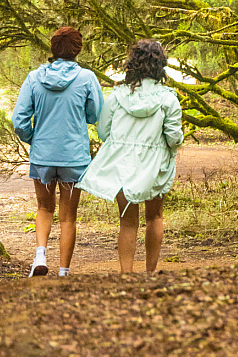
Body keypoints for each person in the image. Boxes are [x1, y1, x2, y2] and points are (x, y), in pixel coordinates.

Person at [78, 39, 183, 274]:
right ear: (160, 66)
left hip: (121, 165)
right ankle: (150, 273)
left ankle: (126, 274)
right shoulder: (168, 99)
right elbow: (174, 136)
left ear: (132, 64)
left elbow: (104, 130)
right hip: (155, 166)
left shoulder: (116, 96)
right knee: (154, 216)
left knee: (127, 221)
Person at [12, 26, 104, 278]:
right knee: (68, 217)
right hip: (73, 157)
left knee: (44, 208)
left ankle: (40, 254)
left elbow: (19, 120)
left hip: (42, 156)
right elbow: (95, 115)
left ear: (53, 49)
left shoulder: (33, 78)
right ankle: (63, 272)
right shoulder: (86, 78)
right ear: (78, 50)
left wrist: (35, 139)